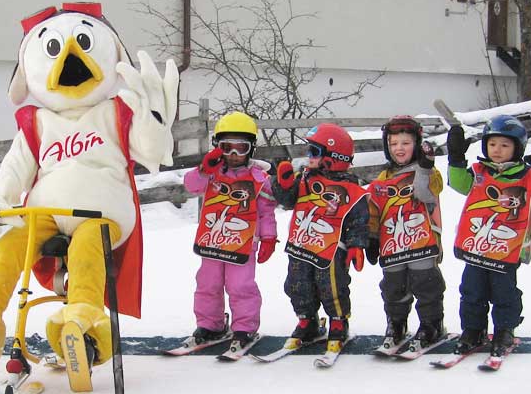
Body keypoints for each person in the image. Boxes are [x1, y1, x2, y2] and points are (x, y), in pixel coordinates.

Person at [0, 3, 178, 389]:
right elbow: (15, 168)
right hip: (43, 213)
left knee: (88, 248)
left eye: (84, 44)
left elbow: (151, 152)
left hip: (99, 213)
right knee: (8, 247)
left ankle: (83, 324)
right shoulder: (37, 122)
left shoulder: (115, 112)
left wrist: (153, 118)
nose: (70, 59)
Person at [447, 115, 531, 356]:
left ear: (517, 148)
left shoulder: (526, 176)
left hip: (507, 249)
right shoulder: (478, 173)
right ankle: (472, 330)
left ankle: (504, 330)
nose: (497, 150)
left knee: (504, 292)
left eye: (505, 145)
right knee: (472, 291)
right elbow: (457, 184)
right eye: (492, 144)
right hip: (476, 246)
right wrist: (455, 159)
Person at [183, 111, 277, 353]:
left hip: (243, 243)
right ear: (217, 147)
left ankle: (245, 327)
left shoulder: (259, 179)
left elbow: (266, 211)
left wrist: (268, 238)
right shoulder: (211, 173)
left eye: (241, 148)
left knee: (240, 286)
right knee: (207, 283)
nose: (234, 155)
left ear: (251, 149)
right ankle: (210, 325)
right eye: (227, 147)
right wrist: (204, 169)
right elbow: (191, 185)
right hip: (212, 241)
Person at [272, 123, 368, 353]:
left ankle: (338, 321)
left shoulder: (348, 186)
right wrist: (283, 184)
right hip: (303, 245)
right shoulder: (305, 179)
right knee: (297, 284)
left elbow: (359, 217)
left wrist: (356, 245)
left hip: (332, 247)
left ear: (332, 157)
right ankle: (307, 320)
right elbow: (288, 200)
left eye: (314, 152)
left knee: (332, 286)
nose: (309, 158)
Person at [366, 116, 447, 352]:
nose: (399, 149)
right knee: (393, 287)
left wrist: (424, 167)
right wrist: (371, 237)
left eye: (405, 143)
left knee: (426, 285)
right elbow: (374, 208)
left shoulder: (431, 173)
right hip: (392, 244)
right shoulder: (383, 178)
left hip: (421, 241)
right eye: (393, 144)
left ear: (417, 144)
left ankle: (431, 324)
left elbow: (424, 194)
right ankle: (396, 324)